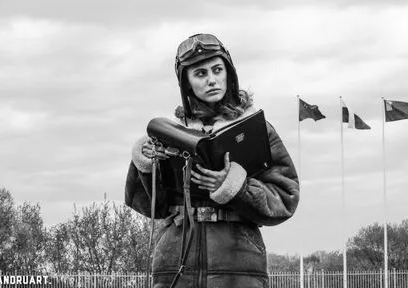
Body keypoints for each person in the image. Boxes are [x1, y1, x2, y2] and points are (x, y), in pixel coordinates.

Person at [125, 33, 299, 288]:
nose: (212, 80)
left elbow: (286, 197)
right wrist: (147, 163)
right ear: (186, 83)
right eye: (200, 74)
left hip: (239, 269)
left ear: (229, 73)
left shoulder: (258, 129)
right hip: (174, 266)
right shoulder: (169, 134)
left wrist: (236, 187)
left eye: (217, 70)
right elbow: (146, 204)